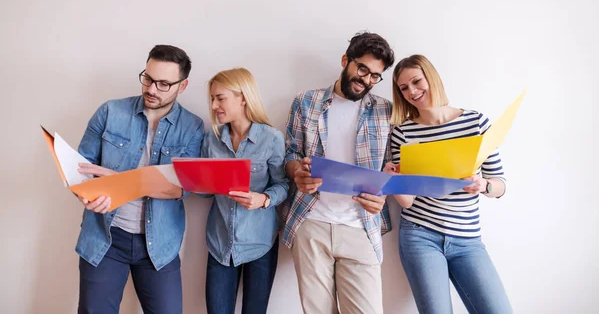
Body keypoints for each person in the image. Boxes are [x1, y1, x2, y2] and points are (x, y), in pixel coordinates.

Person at [76, 45, 205, 314]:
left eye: (163, 84)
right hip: (105, 238)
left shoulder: (192, 127)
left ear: (183, 86)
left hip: (159, 245)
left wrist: (120, 181)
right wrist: (85, 194)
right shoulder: (110, 112)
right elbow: (80, 168)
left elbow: (180, 189)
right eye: (148, 78)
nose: (152, 89)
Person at [385, 54, 512, 313]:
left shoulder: (475, 122)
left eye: (417, 81)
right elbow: (408, 202)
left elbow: (500, 184)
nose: (412, 91)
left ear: (431, 77)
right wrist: (394, 183)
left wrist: (483, 185)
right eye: (404, 88)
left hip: (467, 240)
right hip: (421, 237)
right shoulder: (403, 133)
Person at [281, 32, 395, 314]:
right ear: (346, 60)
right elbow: (290, 153)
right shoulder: (306, 102)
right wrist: (297, 173)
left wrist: (383, 194)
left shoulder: (385, 111)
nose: (367, 80)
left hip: (362, 226)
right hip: (312, 222)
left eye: (375, 76)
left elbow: (393, 167)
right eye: (362, 69)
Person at [201, 68, 288, 314]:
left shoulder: (271, 138)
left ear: (243, 98)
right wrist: (195, 181)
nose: (214, 105)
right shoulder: (211, 140)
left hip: (260, 243)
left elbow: (284, 185)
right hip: (220, 245)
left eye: (220, 97)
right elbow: (204, 192)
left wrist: (263, 199)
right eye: (212, 99)